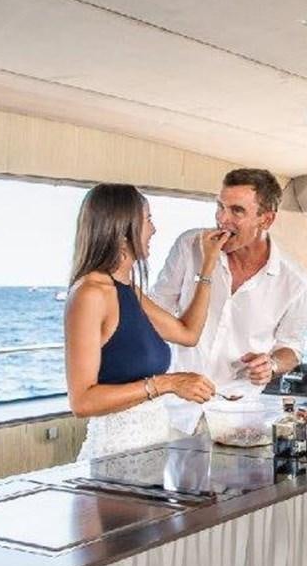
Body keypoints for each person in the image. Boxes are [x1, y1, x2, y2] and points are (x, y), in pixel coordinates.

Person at [63, 184, 228, 458]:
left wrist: (207, 265)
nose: (154, 230)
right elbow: (82, 402)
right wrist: (168, 383)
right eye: (148, 220)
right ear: (123, 230)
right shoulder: (90, 294)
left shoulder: (130, 291)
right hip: (112, 458)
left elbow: (188, 333)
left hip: (152, 454)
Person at [152, 168, 307, 428]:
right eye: (220, 207)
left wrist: (271, 364)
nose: (222, 219)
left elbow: (291, 348)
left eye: (237, 211)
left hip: (238, 416)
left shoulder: (296, 281)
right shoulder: (189, 246)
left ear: (266, 220)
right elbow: (155, 312)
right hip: (174, 410)